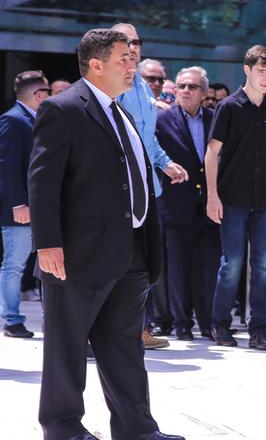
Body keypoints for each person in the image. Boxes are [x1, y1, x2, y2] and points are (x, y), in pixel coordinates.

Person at [29, 28, 183, 440]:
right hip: (78, 254)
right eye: (123, 59)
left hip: (130, 252)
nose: (133, 65)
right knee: (66, 349)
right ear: (96, 65)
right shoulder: (62, 109)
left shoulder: (123, 112)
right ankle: (62, 430)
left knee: (125, 348)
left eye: (133, 57)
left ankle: (137, 430)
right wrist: (47, 243)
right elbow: (42, 183)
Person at [112, 22, 188, 348]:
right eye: (126, 41)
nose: (133, 46)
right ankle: (111, 332)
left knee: (142, 263)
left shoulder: (143, 88)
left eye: (137, 41)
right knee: (116, 263)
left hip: (148, 190)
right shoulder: (110, 87)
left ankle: (140, 329)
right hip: (118, 191)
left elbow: (148, 140)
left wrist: (165, 163)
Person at [205, 45, 266, 350]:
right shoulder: (228, 107)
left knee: (264, 265)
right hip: (233, 197)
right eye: (261, 72)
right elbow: (211, 152)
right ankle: (220, 324)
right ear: (247, 70)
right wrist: (212, 196)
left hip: (264, 199)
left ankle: (259, 330)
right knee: (233, 263)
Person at [156, 66, 220, 341]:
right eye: (181, 86)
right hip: (175, 204)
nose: (185, 91)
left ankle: (207, 322)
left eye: (192, 87)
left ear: (204, 93)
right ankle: (181, 322)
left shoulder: (214, 119)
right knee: (177, 269)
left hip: (208, 206)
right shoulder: (162, 120)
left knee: (207, 268)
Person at [0, 70, 50, 338]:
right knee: (14, 264)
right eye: (48, 92)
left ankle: (47, 318)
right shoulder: (12, 120)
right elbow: (6, 167)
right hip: (20, 210)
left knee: (43, 265)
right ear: (39, 95)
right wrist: (18, 204)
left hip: (40, 208)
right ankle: (11, 319)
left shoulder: (34, 119)